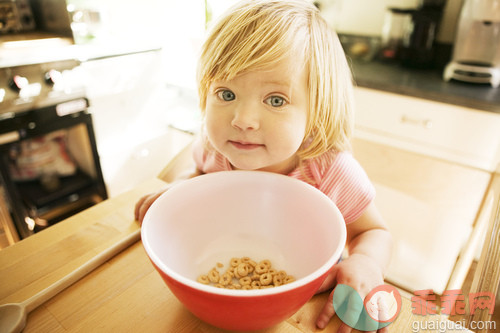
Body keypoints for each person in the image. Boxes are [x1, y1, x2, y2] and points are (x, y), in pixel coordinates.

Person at [135, 0, 393, 331]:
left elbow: (374, 231)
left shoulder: (329, 170)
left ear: (317, 113)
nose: (242, 120)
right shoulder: (216, 150)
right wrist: (179, 191)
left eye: (275, 100)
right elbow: (197, 174)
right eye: (226, 94)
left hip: (310, 302)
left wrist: (366, 262)